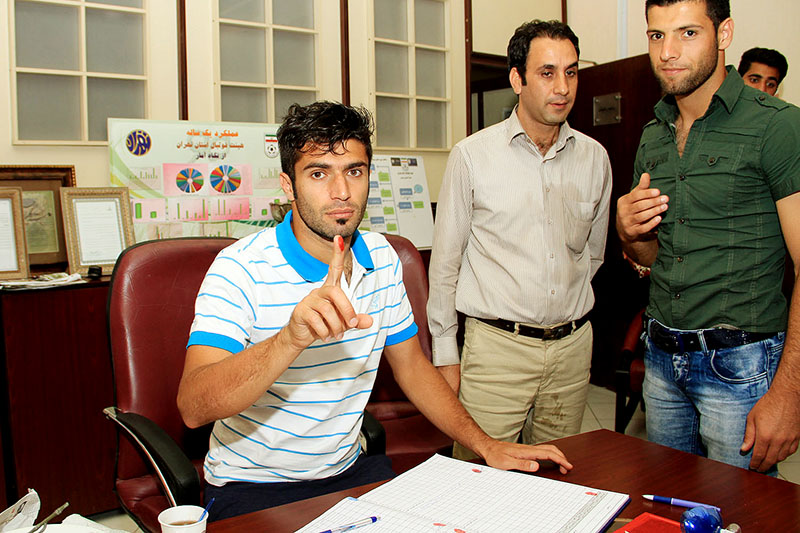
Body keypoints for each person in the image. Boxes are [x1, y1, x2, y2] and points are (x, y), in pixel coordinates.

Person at [176, 101, 572, 521]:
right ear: (288, 186)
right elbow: (193, 407)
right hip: (252, 485)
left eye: (354, 171)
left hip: (350, 471)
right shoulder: (241, 268)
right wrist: (289, 340)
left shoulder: (382, 259)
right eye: (318, 174)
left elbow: (412, 368)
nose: (341, 192)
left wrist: (485, 444)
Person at [616, 0, 800, 474]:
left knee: (741, 508)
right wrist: (629, 233)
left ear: (724, 34)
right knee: (670, 502)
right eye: (657, 36)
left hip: (740, 364)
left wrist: (789, 393)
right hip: (661, 360)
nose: (668, 52)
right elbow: (653, 257)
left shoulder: (777, 125)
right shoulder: (653, 135)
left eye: (688, 33)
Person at [427, 20, 612, 460]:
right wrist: (445, 353)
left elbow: (593, 255)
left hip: (571, 350)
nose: (562, 87)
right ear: (517, 79)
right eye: (547, 73)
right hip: (497, 351)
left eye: (571, 72)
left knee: (558, 474)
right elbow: (446, 265)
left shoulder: (594, 158)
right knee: (477, 477)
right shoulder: (472, 156)